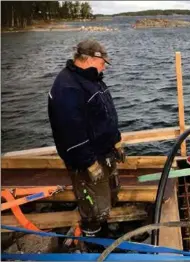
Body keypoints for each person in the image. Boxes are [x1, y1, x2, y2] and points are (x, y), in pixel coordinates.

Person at [48, 39, 126, 251]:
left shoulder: (92, 79)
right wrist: (89, 163)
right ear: (92, 58)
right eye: (103, 63)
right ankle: (94, 246)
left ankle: (106, 232)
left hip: (104, 152)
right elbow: (70, 133)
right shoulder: (67, 87)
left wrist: (116, 140)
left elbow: (104, 116)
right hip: (87, 159)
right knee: (94, 208)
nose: (104, 68)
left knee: (110, 195)